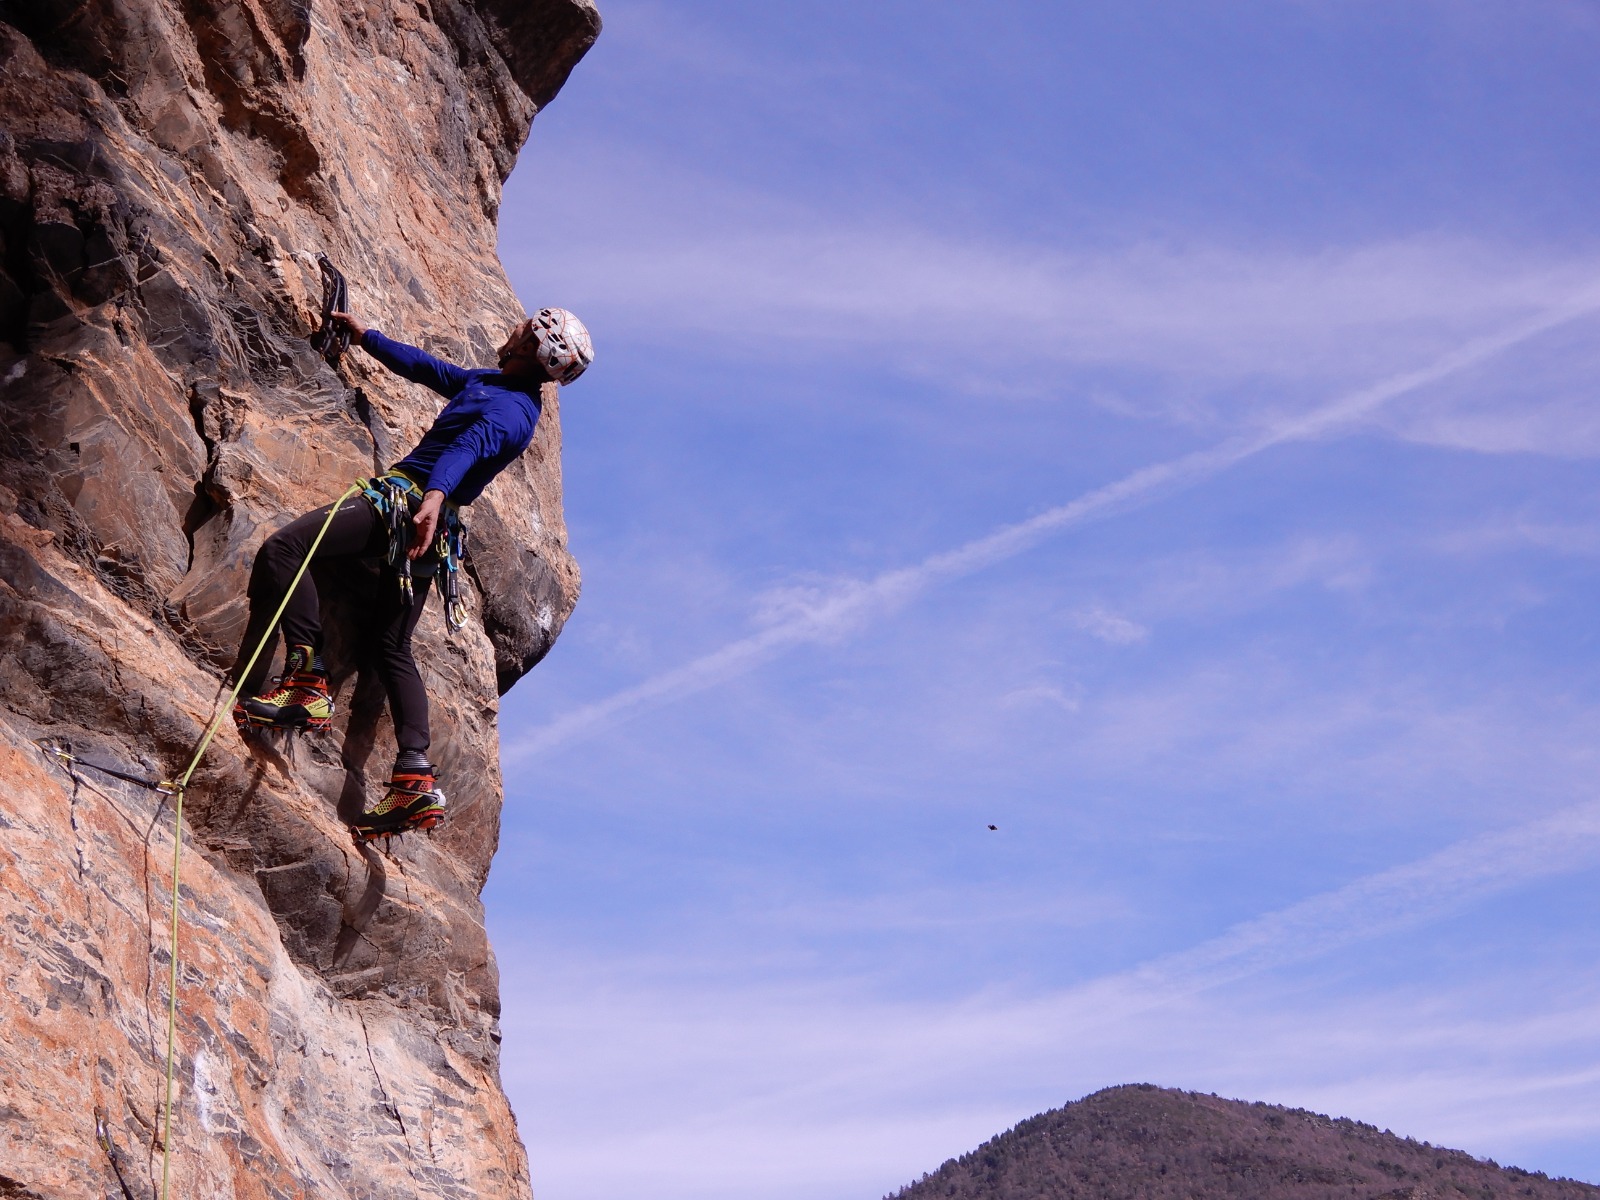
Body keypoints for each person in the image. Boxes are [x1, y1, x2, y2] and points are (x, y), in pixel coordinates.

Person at [229, 307, 594, 841]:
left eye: (521, 327)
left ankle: (306, 678)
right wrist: (367, 338)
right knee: (390, 645)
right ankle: (414, 775)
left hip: (405, 507)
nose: (510, 329)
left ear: (533, 344)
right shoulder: (492, 384)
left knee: (286, 550)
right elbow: (431, 370)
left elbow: (468, 448)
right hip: (428, 524)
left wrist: (435, 494)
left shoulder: (515, 411)